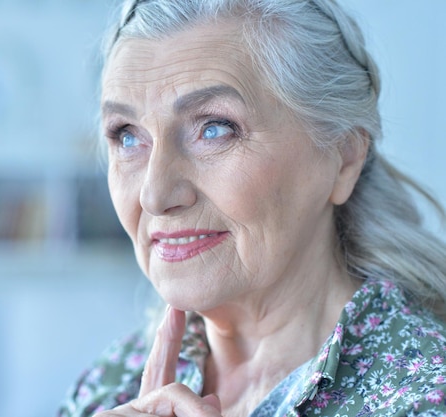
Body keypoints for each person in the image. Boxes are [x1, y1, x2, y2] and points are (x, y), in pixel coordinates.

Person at [58, 0, 446, 415]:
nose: (154, 195)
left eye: (214, 129)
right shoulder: (111, 386)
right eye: (127, 136)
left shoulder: (423, 395)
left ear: (343, 156)